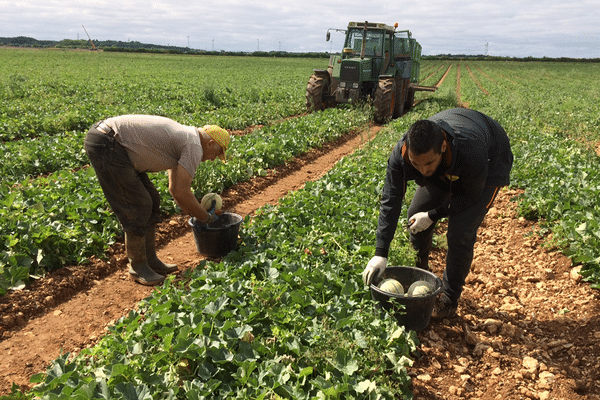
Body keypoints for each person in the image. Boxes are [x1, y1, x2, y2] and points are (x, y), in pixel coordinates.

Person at [362, 108, 513, 319]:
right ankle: (420, 275)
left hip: (489, 162)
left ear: (442, 146)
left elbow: (469, 196)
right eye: (416, 164)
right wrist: (380, 252)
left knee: (460, 232)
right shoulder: (401, 155)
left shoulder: (471, 151)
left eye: (428, 163)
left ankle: (448, 299)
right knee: (415, 215)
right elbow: (391, 200)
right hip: (449, 162)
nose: (423, 171)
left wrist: (434, 214)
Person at [84, 115, 230, 286]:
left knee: (151, 200)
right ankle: (138, 267)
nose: (213, 159)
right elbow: (182, 193)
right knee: (138, 205)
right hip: (109, 144)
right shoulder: (194, 146)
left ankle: (150, 260)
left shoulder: (188, 139)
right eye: (216, 153)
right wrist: (205, 218)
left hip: (113, 142)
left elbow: (175, 189)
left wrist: (198, 214)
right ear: (210, 143)